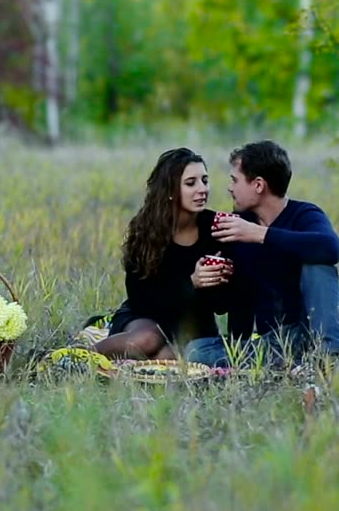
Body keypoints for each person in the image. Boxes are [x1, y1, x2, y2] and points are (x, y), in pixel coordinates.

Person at [187, 140, 339, 369]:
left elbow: (331, 248)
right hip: (278, 341)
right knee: (196, 351)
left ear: (258, 185)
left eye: (235, 180)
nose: (229, 188)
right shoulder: (238, 227)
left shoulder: (304, 215)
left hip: (316, 328)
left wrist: (260, 234)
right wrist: (211, 279)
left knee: (317, 263)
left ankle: (329, 360)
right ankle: (294, 366)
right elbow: (234, 305)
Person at [90, 147, 236, 361]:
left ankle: (130, 360)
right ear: (170, 190)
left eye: (204, 180)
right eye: (190, 183)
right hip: (146, 319)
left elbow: (222, 307)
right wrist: (191, 283)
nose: (202, 189)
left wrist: (221, 280)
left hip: (194, 326)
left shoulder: (216, 228)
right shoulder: (147, 229)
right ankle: (77, 357)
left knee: (168, 358)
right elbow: (140, 300)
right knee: (148, 340)